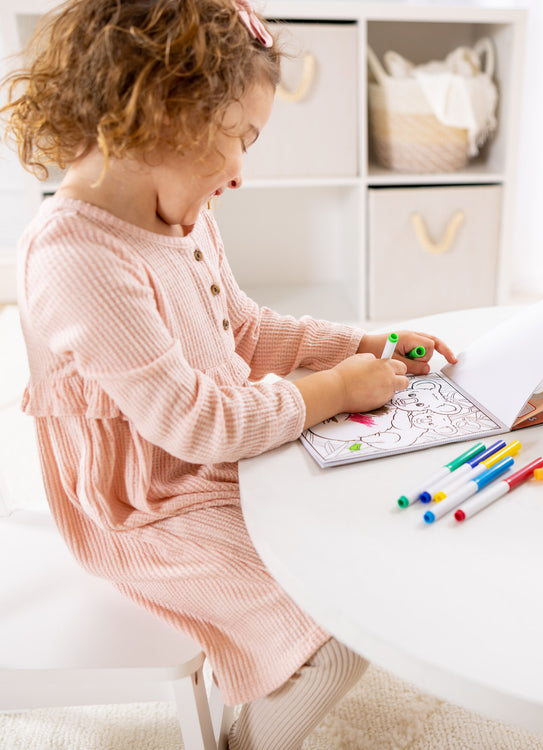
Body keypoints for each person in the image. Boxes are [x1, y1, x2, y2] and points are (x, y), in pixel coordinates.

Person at [0, 1, 458, 747]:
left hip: (219, 458)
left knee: (366, 541)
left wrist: (358, 342)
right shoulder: (75, 256)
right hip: (148, 507)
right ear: (157, 117)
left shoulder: (180, 211)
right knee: (332, 628)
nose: (242, 170)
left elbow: (242, 328)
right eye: (239, 138)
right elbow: (198, 424)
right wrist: (337, 388)